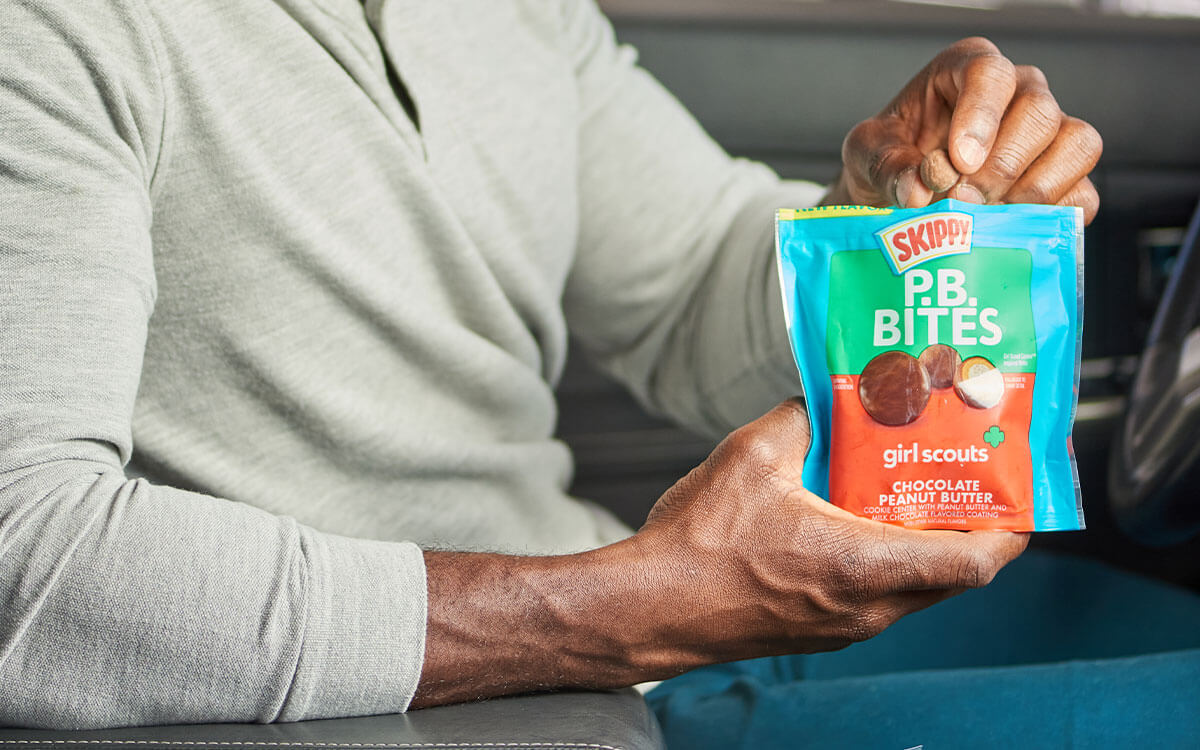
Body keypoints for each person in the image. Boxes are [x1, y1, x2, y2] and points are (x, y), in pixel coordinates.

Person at [2, 0, 1196, 743]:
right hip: (474, 704)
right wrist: (633, 610)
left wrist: (885, 223)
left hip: (618, 611)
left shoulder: (511, 13)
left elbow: (685, 284)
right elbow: (26, 564)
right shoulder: (54, 30)